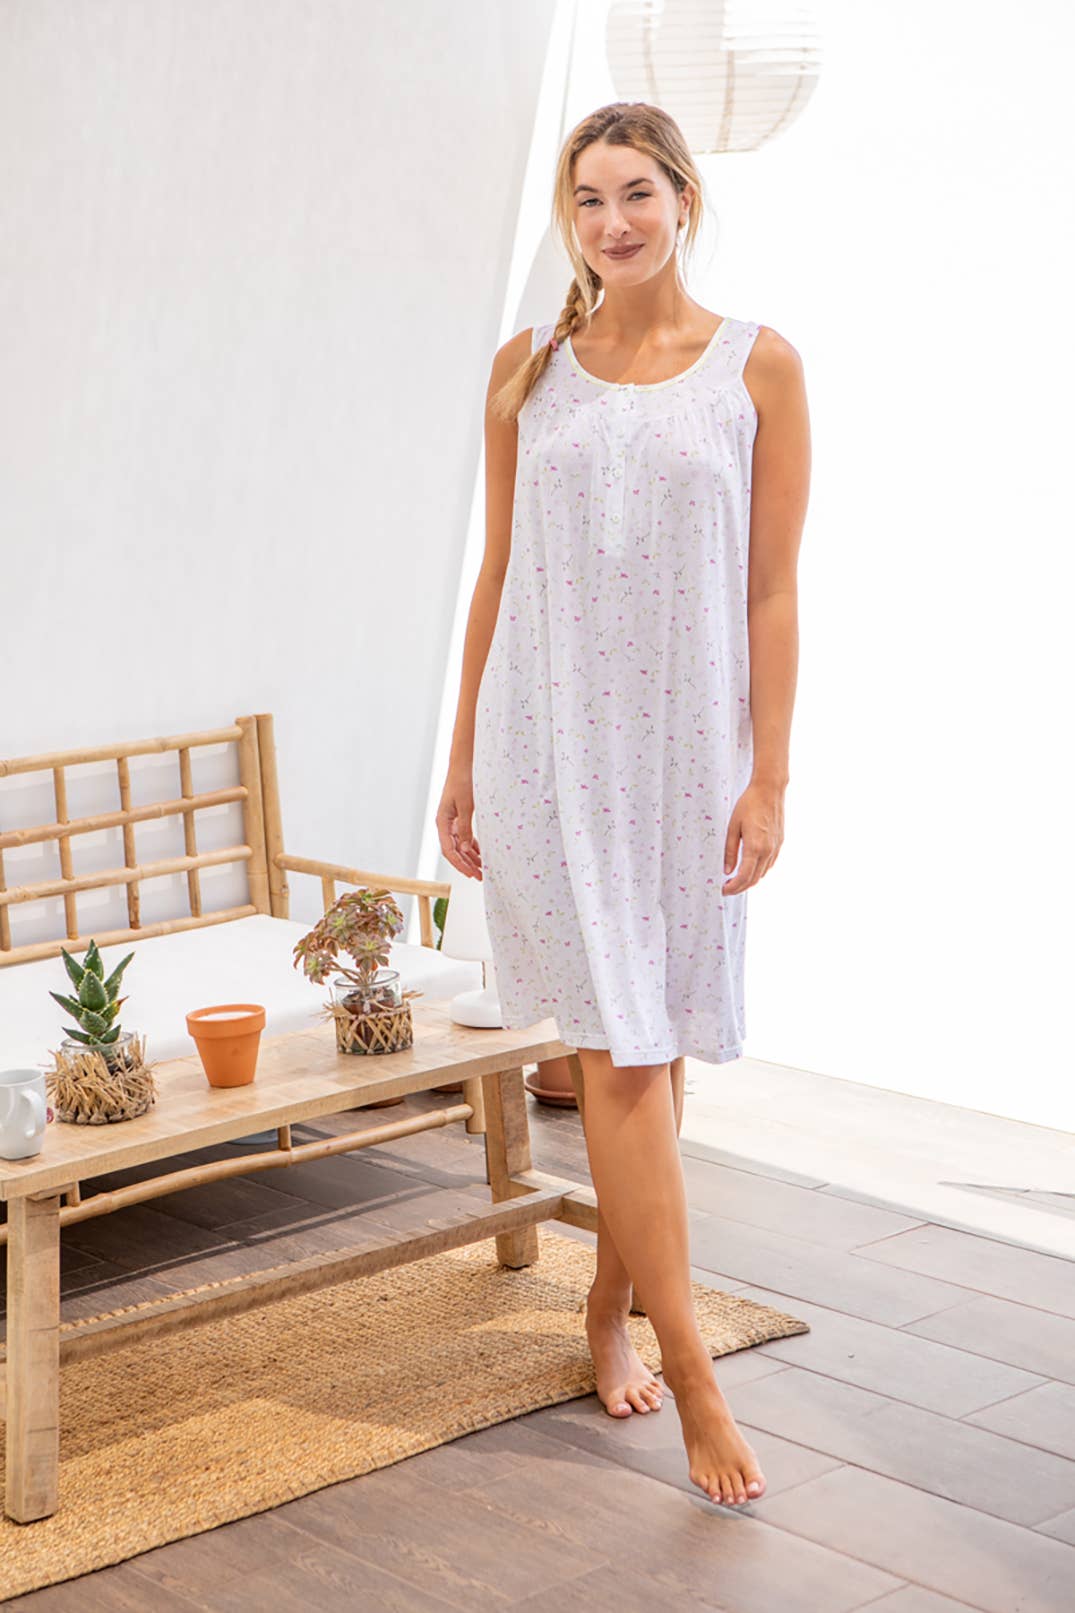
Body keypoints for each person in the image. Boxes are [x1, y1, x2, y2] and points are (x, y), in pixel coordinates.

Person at [437, 100, 810, 1508]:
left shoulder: (758, 369)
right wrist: (463, 760)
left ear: (683, 199)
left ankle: (608, 1305)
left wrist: (770, 774)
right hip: (548, 757)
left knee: (651, 1046)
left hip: (682, 766)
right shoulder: (525, 373)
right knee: (621, 1060)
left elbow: (772, 590)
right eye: (588, 200)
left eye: (636, 193)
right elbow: (496, 572)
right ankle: (695, 1373)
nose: (613, 223)